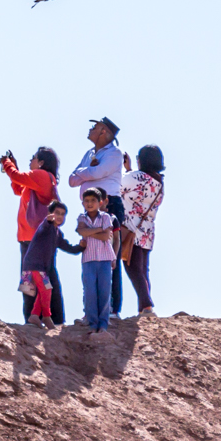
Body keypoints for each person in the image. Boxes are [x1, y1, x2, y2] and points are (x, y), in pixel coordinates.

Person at [70, 118, 126, 315]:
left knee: (110, 256)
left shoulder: (114, 153)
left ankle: (111, 309)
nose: (90, 129)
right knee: (91, 256)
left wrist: (85, 172)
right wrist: (90, 172)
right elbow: (71, 180)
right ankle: (92, 310)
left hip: (109, 205)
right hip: (90, 209)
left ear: (104, 132)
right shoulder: (89, 154)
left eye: (94, 127)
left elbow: (97, 171)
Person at [0, 146, 63, 323]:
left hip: (36, 238)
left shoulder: (42, 176)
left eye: (33, 158)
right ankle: (37, 318)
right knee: (34, 279)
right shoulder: (40, 180)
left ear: (41, 162)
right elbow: (18, 188)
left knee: (42, 278)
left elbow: (16, 177)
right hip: (31, 238)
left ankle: (48, 318)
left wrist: (6, 163)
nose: (30, 161)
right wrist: (14, 168)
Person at [19, 201, 82, 327]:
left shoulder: (57, 233)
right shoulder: (46, 226)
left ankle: (37, 317)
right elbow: (47, 222)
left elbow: (69, 248)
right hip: (33, 266)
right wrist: (49, 219)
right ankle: (40, 319)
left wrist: (81, 247)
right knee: (34, 292)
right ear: (49, 213)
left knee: (45, 291)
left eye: (63, 214)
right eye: (56, 213)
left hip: (42, 268)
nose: (59, 216)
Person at [121, 144, 165, 318]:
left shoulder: (134, 177)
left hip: (131, 229)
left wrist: (127, 170)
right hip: (147, 230)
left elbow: (119, 187)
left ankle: (147, 304)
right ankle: (144, 308)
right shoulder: (159, 182)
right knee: (143, 270)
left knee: (132, 268)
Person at [73, 188, 120, 330]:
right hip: (88, 260)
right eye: (86, 201)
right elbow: (81, 230)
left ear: (100, 202)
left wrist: (89, 232)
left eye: (93, 200)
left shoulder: (106, 217)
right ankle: (92, 324)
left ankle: (103, 324)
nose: (89, 203)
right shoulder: (82, 218)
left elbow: (106, 236)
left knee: (104, 292)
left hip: (105, 259)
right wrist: (98, 230)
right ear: (82, 203)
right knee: (90, 292)